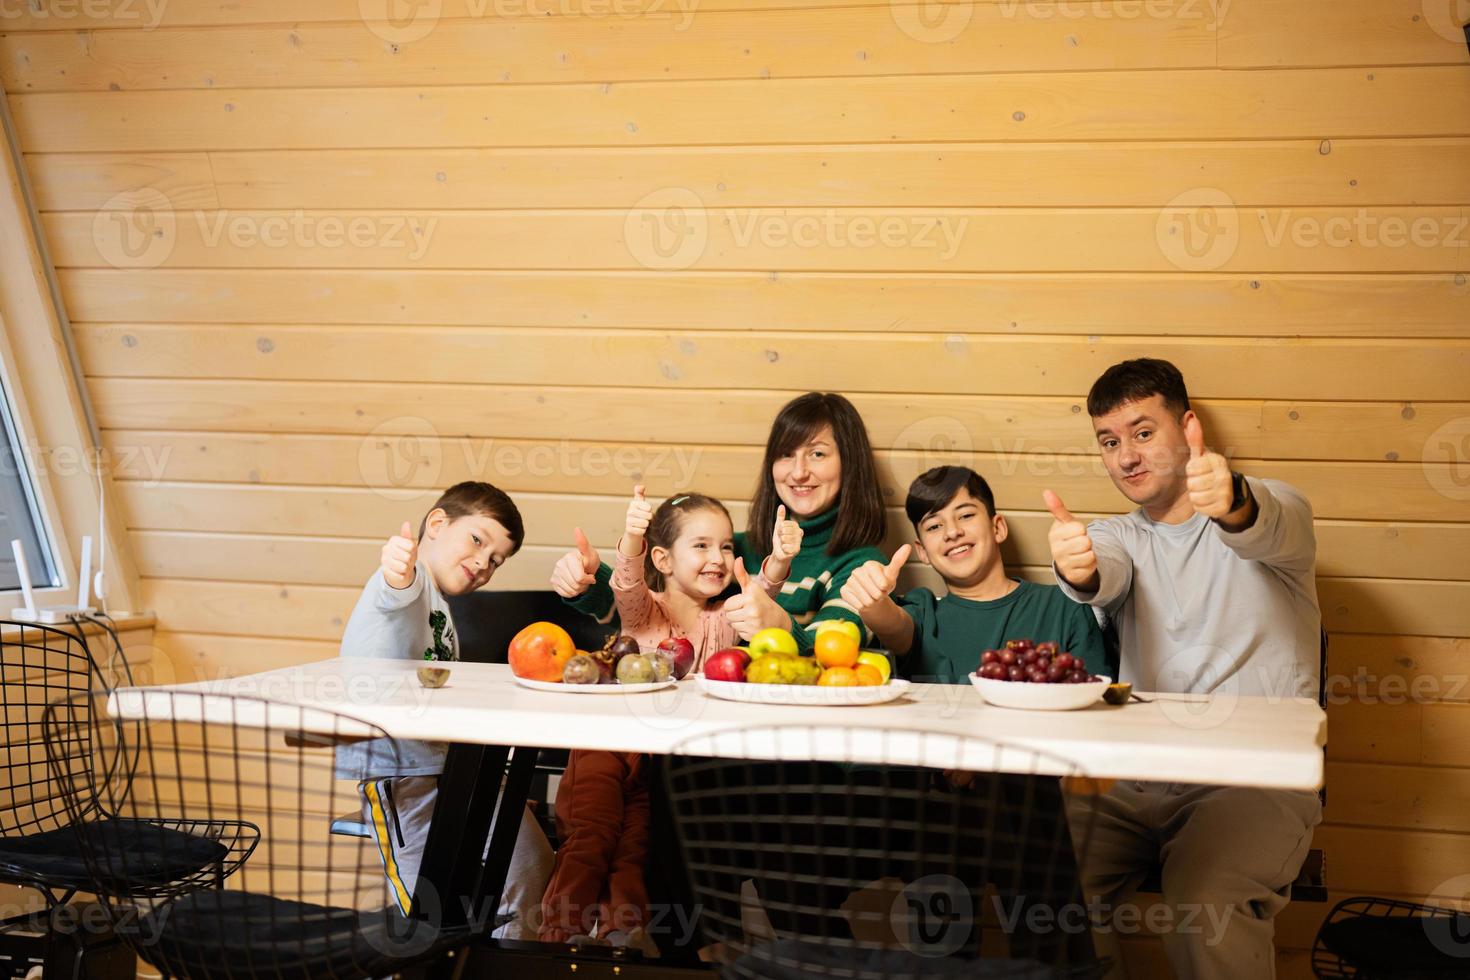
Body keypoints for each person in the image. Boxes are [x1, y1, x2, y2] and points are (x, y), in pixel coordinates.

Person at [1047, 358, 1322, 979]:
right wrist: (1076, 566)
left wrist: (1232, 502)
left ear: (1188, 426)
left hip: (1256, 779)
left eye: (1143, 433)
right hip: (1135, 776)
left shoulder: (1277, 507)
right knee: (1042, 881)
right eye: (1109, 442)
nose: (1125, 457)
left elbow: (1265, 524)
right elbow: (1100, 573)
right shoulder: (1117, 534)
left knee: (1205, 905)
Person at [539, 488, 799, 953]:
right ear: (662, 558)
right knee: (593, 834)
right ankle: (558, 937)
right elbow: (624, 583)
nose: (718, 557)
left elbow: (763, 592)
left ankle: (621, 937)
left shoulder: (725, 618)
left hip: (661, 766)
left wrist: (778, 560)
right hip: (609, 746)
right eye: (700, 545)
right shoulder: (646, 609)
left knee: (635, 847)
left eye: (725, 546)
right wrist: (633, 536)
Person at [335, 481, 553, 939]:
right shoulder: (410, 583)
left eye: (496, 560)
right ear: (436, 524)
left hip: (457, 769)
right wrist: (398, 568)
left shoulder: (441, 607)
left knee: (531, 860)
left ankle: (509, 962)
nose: (483, 563)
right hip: (399, 773)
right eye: (477, 541)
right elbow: (395, 589)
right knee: (427, 910)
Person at [549, 392, 888, 650]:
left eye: (817, 453)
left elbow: (834, 652)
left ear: (849, 464)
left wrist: (781, 625)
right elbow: (645, 608)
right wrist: (587, 577)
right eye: (786, 454)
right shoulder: (732, 549)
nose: (799, 472)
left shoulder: (862, 566)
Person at [841, 464, 1107, 684]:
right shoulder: (922, 612)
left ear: (998, 528)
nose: (952, 532)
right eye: (934, 526)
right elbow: (893, 624)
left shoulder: (1063, 607)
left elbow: (1095, 696)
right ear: (922, 552)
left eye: (966, 515)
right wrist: (872, 599)